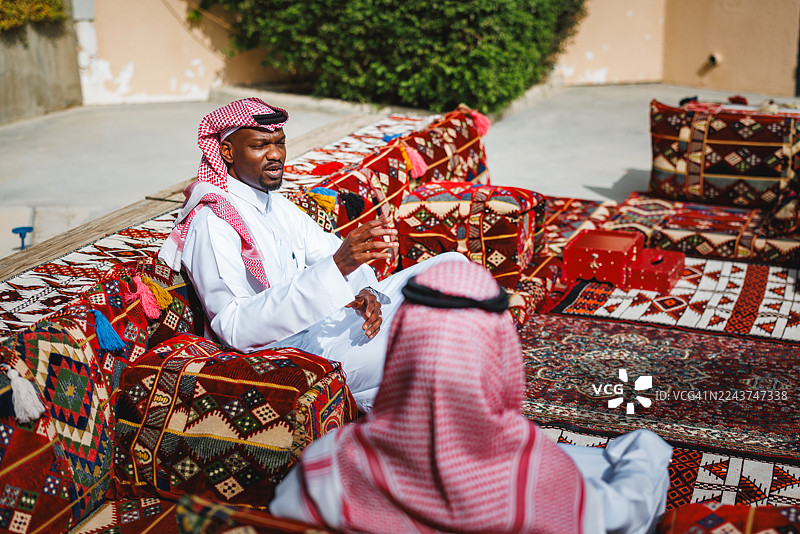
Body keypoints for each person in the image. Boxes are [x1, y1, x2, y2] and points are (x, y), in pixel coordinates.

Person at [269, 260, 673, 534]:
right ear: (500, 355)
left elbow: (280, 516)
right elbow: (621, 511)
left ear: (400, 348)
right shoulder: (536, 476)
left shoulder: (330, 463)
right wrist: (646, 451)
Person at [158, 97, 465, 411]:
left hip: (330, 324)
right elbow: (234, 327)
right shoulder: (213, 221)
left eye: (280, 143)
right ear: (227, 152)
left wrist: (366, 293)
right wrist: (337, 268)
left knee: (454, 268)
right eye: (260, 145)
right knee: (436, 336)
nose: (275, 155)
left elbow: (333, 256)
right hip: (298, 354)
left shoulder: (277, 205)